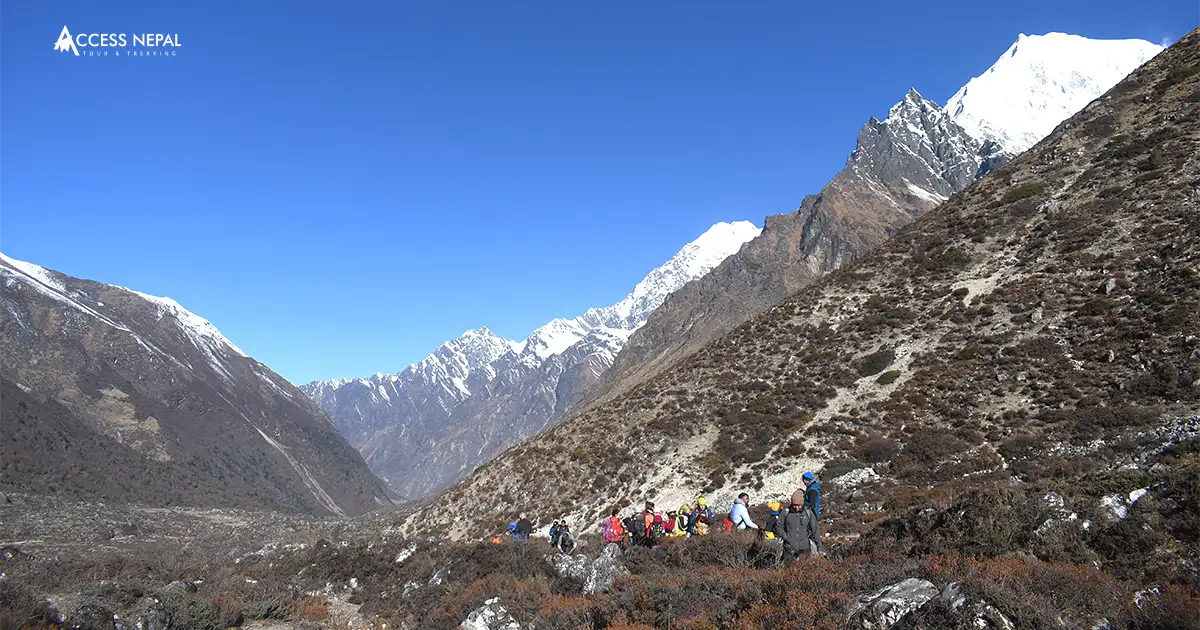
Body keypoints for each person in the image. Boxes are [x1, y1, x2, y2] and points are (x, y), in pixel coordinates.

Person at [775, 488, 821, 562]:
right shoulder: (785, 512)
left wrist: (819, 547)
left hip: (805, 548)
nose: (796, 508)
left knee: (805, 571)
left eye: (799, 505)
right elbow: (778, 526)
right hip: (788, 549)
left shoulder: (808, 513)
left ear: (802, 503)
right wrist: (785, 537)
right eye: (794, 505)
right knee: (788, 571)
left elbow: (815, 530)